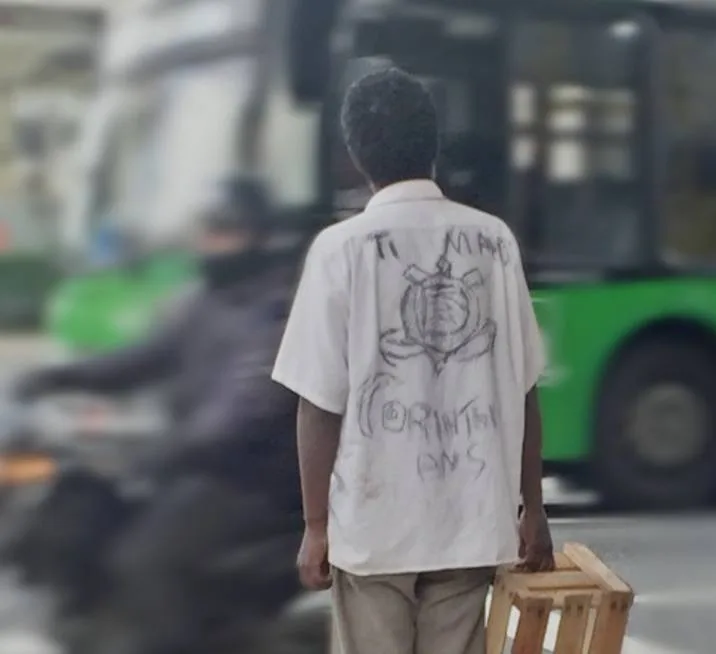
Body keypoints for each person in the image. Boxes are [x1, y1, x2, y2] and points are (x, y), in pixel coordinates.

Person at [272, 67, 554, 654]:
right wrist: (533, 508)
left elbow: (318, 404)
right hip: (471, 524)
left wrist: (317, 526)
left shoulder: (338, 250)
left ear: (354, 157)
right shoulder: (495, 241)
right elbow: (524, 390)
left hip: (375, 529)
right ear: (434, 146)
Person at [12, 175, 305, 654]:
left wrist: (161, 451)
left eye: (226, 229)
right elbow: (141, 359)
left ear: (259, 235)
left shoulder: (273, 312)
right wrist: (55, 377)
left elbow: (240, 415)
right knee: (82, 514)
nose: (211, 240)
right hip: (195, 468)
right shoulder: (204, 302)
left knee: (142, 559)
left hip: (248, 482)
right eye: (208, 228)